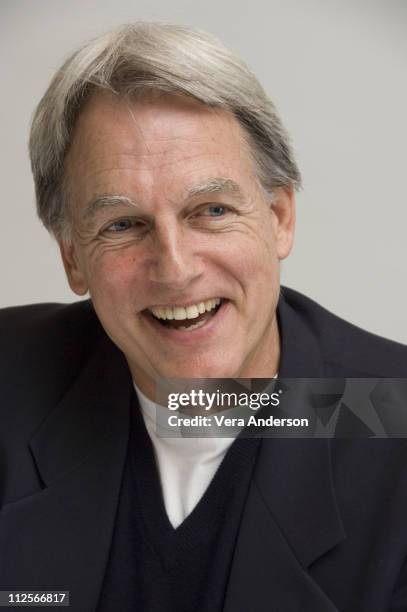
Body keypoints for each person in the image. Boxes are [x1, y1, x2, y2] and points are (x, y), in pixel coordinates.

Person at [1, 22, 407, 612]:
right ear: (72, 257)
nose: (174, 268)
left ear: (279, 218)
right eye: (122, 224)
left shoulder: (393, 420)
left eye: (211, 210)